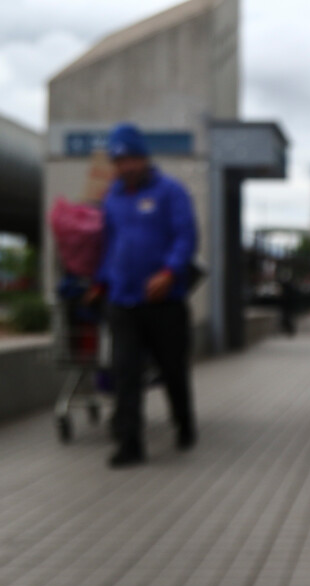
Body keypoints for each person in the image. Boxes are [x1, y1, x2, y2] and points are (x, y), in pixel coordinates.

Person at [87, 123, 198, 468]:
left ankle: (184, 424)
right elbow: (110, 245)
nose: (126, 167)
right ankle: (130, 443)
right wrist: (101, 281)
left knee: (172, 369)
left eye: (131, 159)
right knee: (125, 372)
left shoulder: (170, 192)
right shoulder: (113, 198)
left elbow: (186, 236)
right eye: (119, 161)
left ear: (144, 158)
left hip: (163, 301)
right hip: (123, 300)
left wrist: (169, 271)